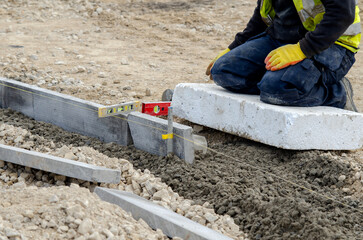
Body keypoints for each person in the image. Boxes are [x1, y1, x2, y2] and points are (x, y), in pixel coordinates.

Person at [206, 0, 360, 112]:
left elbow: (343, 14)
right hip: (282, 39)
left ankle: (337, 93)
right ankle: (284, 82)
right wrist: (234, 47)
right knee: (223, 72)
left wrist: (301, 50)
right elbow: (262, 15)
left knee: (276, 89)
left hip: (331, 43)